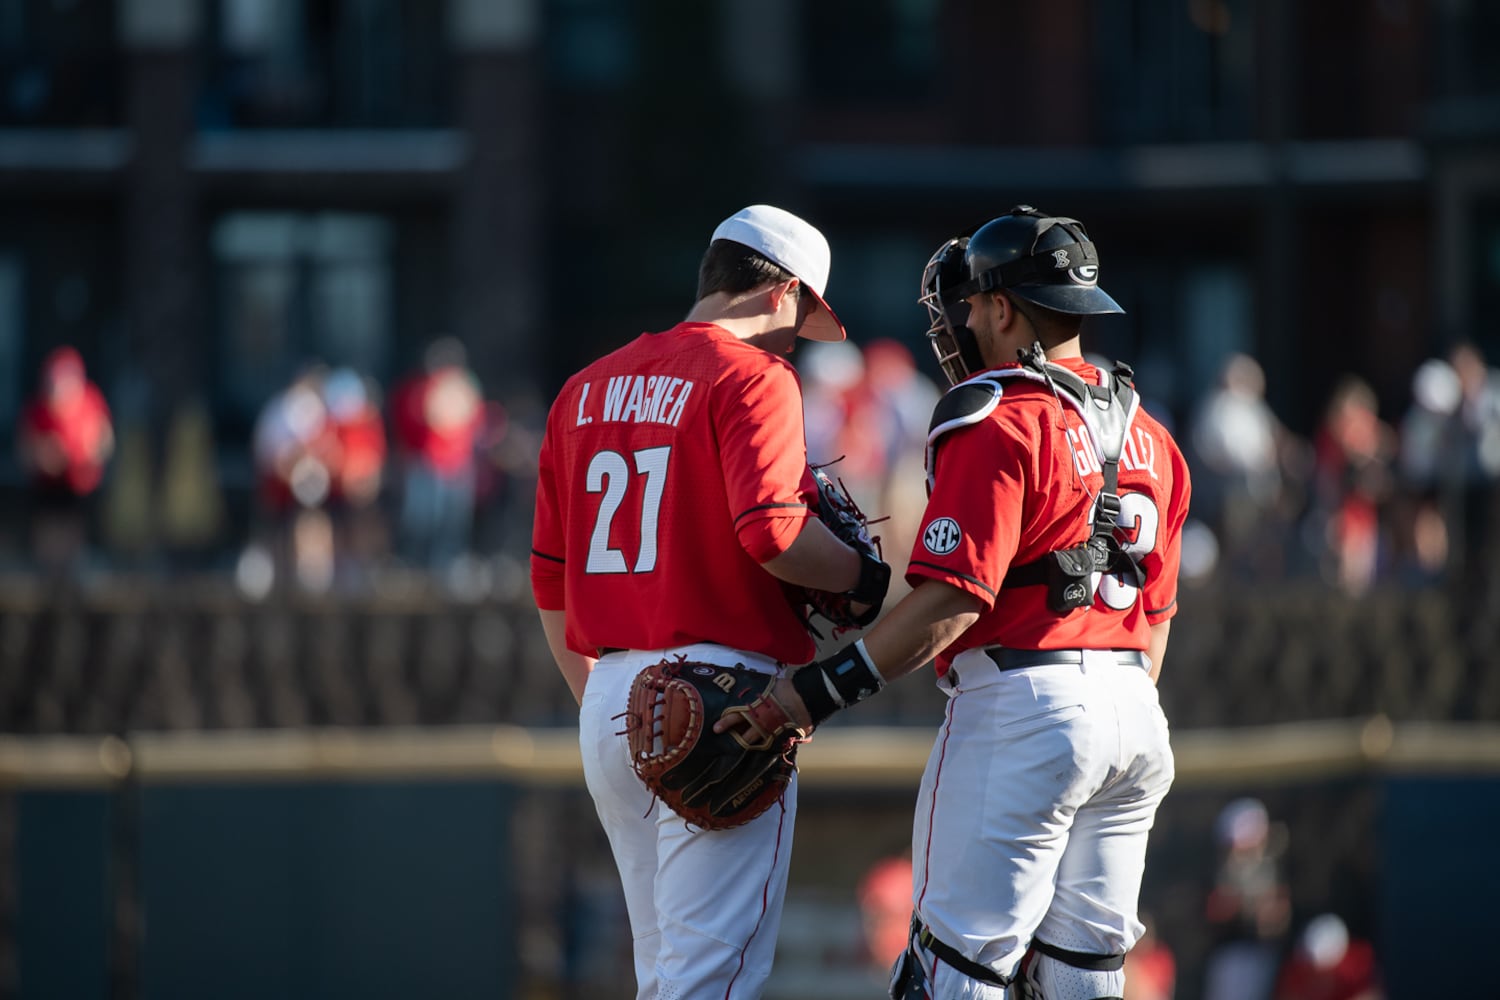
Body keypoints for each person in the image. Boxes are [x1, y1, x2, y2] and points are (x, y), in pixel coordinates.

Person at [724, 205, 1191, 999]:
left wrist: (812, 693)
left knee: (953, 976)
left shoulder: (997, 416)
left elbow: (951, 602)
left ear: (1005, 309)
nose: (964, 320)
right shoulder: (1155, 436)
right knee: (1085, 977)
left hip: (1025, 705)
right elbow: (1155, 628)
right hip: (1136, 719)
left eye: (973, 304)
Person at [529, 204, 890, 999]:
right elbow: (775, 534)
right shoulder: (753, 375)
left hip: (612, 697)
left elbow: (550, 581)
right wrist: (863, 579)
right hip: (723, 697)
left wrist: (608, 705)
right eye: (802, 318)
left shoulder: (583, 388)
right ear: (781, 290)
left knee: (663, 977)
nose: (796, 340)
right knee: (709, 984)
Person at [17, 345, 115, 572]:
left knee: (76, 540)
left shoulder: (90, 401)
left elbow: (105, 440)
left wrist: (89, 451)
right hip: (48, 490)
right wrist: (43, 456)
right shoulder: (38, 412)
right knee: (49, 538)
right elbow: (25, 450)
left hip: (82, 488)